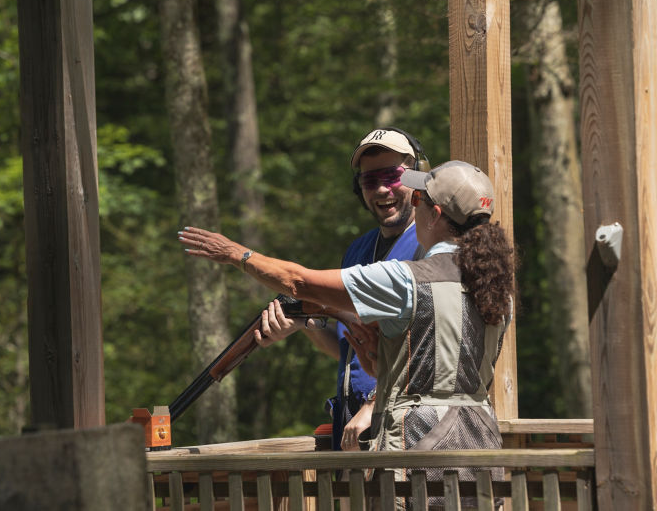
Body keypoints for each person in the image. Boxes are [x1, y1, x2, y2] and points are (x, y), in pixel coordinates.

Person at [178, 160, 515, 507]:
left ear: (434, 215)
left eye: (418, 201)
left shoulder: (408, 278)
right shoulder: (496, 287)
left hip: (417, 449)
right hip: (478, 450)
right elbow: (451, 373)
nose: (413, 205)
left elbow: (299, 281)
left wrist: (236, 254)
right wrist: (387, 369)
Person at [253, 127, 426, 452]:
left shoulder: (428, 246)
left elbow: (428, 349)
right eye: (369, 181)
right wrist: (306, 324)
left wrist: (376, 403)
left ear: (419, 178)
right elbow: (347, 350)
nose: (382, 189)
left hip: (403, 416)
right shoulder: (357, 251)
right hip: (352, 419)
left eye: (393, 175)